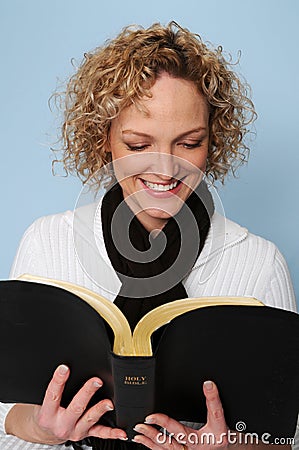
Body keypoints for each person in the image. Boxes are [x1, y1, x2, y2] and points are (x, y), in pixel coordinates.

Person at [1, 21, 297, 450]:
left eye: (189, 142)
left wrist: (236, 446)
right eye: (139, 145)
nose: (165, 169)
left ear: (212, 141)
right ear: (104, 138)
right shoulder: (48, 242)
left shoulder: (258, 262)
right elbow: (6, 410)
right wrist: (40, 428)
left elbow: (288, 432)